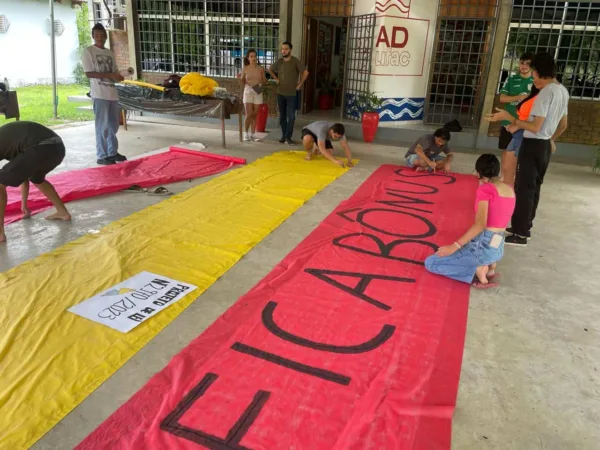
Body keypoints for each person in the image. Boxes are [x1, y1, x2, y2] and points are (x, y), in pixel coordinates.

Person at [486, 52, 569, 246]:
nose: (532, 77)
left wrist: (510, 118)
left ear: (540, 72)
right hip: (544, 144)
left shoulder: (545, 93)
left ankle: (520, 234)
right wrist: (551, 140)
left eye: (533, 73)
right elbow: (563, 124)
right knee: (534, 188)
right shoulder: (562, 91)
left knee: (524, 189)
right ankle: (523, 228)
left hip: (532, 144)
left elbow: (534, 126)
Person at [425, 154, 515, 289]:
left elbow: (480, 225)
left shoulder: (486, 190)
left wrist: (454, 246)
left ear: (478, 173)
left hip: (482, 247)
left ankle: (477, 270)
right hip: (497, 247)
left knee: (431, 263)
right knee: (458, 254)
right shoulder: (509, 189)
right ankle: (490, 266)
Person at [0, 121, 71, 243]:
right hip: (57, 148)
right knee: (37, 180)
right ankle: (63, 212)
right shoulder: (11, 142)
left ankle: (0, 232)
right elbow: (23, 173)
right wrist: (24, 205)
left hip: (40, 147)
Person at [83, 23, 126, 166]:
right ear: (93, 36)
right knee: (102, 126)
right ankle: (102, 155)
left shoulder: (109, 53)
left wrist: (120, 76)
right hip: (99, 94)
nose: (99, 38)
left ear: (106, 37)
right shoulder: (88, 51)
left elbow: (115, 72)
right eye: (97, 36)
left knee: (113, 125)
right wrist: (111, 75)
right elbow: (89, 73)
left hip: (112, 93)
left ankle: (112, 152)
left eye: (102, 36)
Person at [498, 53, 534, 182]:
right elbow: (502, 98)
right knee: (505, 150)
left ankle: (517, 177)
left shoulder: (535, 81)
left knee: (520, 152)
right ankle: (504, 176)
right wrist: (519, 97)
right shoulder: (511, 78)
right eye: (522, 63)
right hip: (508, 121)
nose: (524, 66)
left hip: (525, 123)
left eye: (527, 63)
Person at [268, 42, 309, 145]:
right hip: (280, 93)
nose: (283, 51)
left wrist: (300, 84)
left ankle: (288, 137)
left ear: (290, 50)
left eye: (286, 49)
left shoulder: (295, 61)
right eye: (282, 49)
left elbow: (305, 72)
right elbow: (270, 69)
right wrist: (276, 78)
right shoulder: (280, 61)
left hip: (291, 94)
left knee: (291, 116)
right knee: (282, 116)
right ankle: (284, 135)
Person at [238, 49, 267, 142]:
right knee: (249, 114)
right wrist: (242, 78)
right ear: (248, 58)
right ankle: (245, 133)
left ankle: (253, 134)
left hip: (258, 89)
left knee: (255, 114)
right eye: (251, 56)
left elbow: (265, 81)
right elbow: (242, 82)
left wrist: (263, 81)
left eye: (255, 56)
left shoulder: (260, 68)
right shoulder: (245, 68)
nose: (253, 58)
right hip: (248, 91)